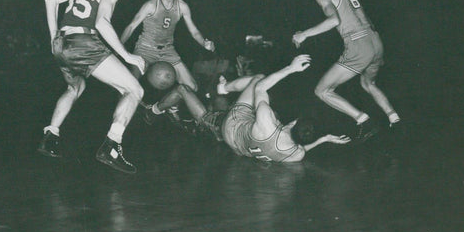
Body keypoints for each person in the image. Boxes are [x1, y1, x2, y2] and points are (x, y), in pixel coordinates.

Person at [37, 0, 146, 174]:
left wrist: (54, 36)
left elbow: (50, 0)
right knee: (135, 90)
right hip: (83, 44)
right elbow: (102, 22)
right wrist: (127, 56)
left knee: (75, 87)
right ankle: (112, 147)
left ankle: (50, 136)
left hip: (62, 44)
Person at [144, 54, 351, 162]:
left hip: (229, 126)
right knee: (225, 108)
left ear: (294, 123)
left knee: (182, 89)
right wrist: (323, 140)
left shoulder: (267, 120)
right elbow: (302, 149)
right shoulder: (295, 155)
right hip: (238, 143)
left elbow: (260, 86)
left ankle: (152, 111)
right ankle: (218, 95)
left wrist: (291, 68)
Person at [292, 0, 400, 140]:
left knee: (322, 90)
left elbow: (334, 20)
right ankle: (394, 118)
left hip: (358, 45)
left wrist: (304, 34)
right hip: (375, 41)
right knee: (368, 83)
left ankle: (364, 121)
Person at [120, 0, 215, 92]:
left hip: (167, 50)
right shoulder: (151, 5)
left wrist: (204, 43)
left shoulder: (182, 6)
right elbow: (131, 27)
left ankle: (168, 107)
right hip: (145, 48)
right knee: (129, 85)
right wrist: (118, 48)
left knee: (192, 87)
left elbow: (194, 31)